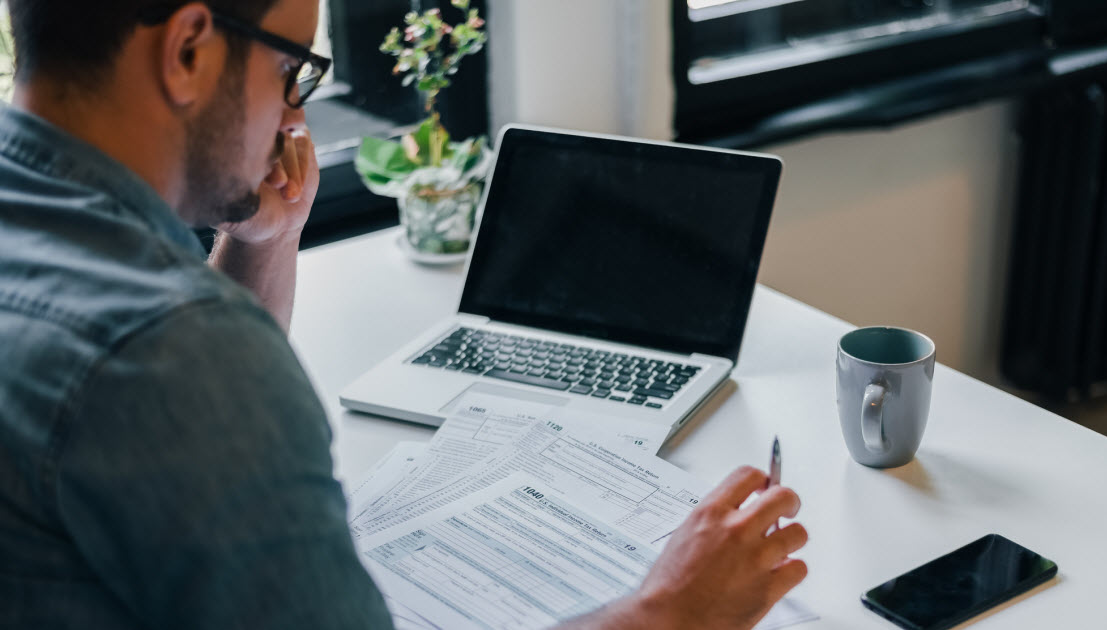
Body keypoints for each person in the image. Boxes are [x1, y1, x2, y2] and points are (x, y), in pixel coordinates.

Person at [0, 1, 809, 628]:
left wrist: (259, 247)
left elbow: (160, 433)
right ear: (187, 52)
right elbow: (177, 377)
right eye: (293, 74)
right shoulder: (180, 355)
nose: (293, 120)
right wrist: (670, 611)